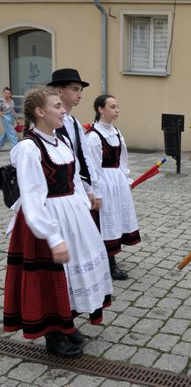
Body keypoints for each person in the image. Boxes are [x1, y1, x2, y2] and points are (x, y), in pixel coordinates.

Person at [3, 86, 113, 358]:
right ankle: (54, 336)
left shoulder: (59, 141)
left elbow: (73, 178)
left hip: (71, 214)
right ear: (40, 112)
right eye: (57, 107)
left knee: (71, 272)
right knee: (50, 277)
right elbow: (31, 197)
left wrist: (86, 198)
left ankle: (67, 324)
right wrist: (52, 236)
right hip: (45, 217)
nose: (63, 110)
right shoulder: (29, 148)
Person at [86, 94, 141, 280]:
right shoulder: (93, 136)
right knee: (105, 222)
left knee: (117, 218)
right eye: (112, 106)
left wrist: (126, 180)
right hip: (104, 182)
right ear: (100, 109)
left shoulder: (117, 132)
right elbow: (92, 167)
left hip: (117, 181)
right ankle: (109, 263)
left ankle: (110, 256)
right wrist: (97, 192)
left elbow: (123, 160)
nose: (116, 110)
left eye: (117, 106)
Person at [47, 68, 102, 212]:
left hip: (76, 188)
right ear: (60, 91)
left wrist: (90, 189)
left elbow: (84, 157)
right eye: (75, 89)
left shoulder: (74, 123)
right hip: (56, 193)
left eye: (81, 90)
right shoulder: (47, 123)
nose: (80, 95)